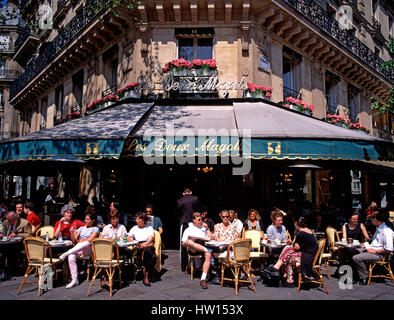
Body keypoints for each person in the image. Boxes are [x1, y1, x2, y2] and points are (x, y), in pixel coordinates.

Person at [267, 217, 318, 287]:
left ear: (296, 224)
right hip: (310, 255)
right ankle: (281, 271)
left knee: (289, 254)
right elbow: (300, 246)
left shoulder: (301, 233)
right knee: (288, 248)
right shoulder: (308, 230)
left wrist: (294, 244)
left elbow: (296, 247)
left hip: (307, 257)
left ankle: (287, 277)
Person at [352, 209, 394, 285]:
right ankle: (355, 275)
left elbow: (389, 248)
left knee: (356, 258)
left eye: (371, 218)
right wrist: (366, 246)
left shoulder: (386, 231)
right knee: (353, 250)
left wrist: (375, 251)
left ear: (376, 219)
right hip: (372, 250)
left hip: (379, 254)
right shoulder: (379, 228)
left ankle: (364, 277)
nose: (371, 220)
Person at [59, 213, 99, 288]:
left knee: (87, 242)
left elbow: (90, 239)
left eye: (88, 219)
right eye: (85, 219)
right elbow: (74, 240)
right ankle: (74, 279)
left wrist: (81, 241)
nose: (85, 221)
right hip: (79, 248)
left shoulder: (95, 229)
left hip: (88, 249)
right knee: (71, 256)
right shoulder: (81, 228)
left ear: (92, 221)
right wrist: (71, 233)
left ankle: (67, 253)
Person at [182, 212, 213, 289]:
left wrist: (207, 228)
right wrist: (186, 243)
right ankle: (207, 250)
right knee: (189, 242)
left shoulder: (203, 228)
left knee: (208, 255)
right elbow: (183, 243)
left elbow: (211, 238)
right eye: (199, 219)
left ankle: (203, 279)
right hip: (193, 248)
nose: (201, 221)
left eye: (201, 219)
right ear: (194, 220)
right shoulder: (188, 229)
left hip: (202, 247)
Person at [177, 187, 203, 271]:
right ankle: (198, 264)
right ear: (190, 192)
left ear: (183, 193)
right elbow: (199, 210)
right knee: (197, 241)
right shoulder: (196, 199)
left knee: (183, 244)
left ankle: (184, 266)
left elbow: (178, 213)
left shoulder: (179, 201)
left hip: (184, 222)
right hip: (194, 222)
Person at [128, 212, 157, 287]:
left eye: (138, 219)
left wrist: (146, 244)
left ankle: (145, 274)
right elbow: (128, 236)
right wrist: (132, 240)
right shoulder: (134, 228)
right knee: (153, 256)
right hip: (139, 246)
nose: (136, 220)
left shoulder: (149, 228)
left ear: (143, 220)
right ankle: (146, 274)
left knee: (149, 250)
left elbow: (151, 238)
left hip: (148, 244)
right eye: (136, 219)